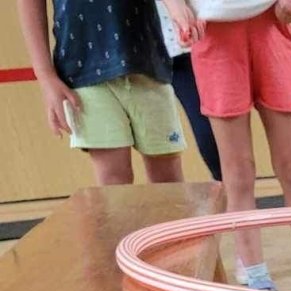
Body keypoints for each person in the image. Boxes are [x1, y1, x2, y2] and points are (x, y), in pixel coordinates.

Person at [163, 0, 291, 291]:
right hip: (213, 33)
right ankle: (258, 287)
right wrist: (176, 7)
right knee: (237, 176)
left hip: (269, 22)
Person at [17, 0, 186, 185]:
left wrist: (178, 10)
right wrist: (45, 77)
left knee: (167, 177)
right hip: (84, 70)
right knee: (113, 179)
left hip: (147, 61)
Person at [155, 0, 221, 180]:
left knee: (214, 132)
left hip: (201, 37)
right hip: (149, 49)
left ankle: (230, 188)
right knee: (159, 149)